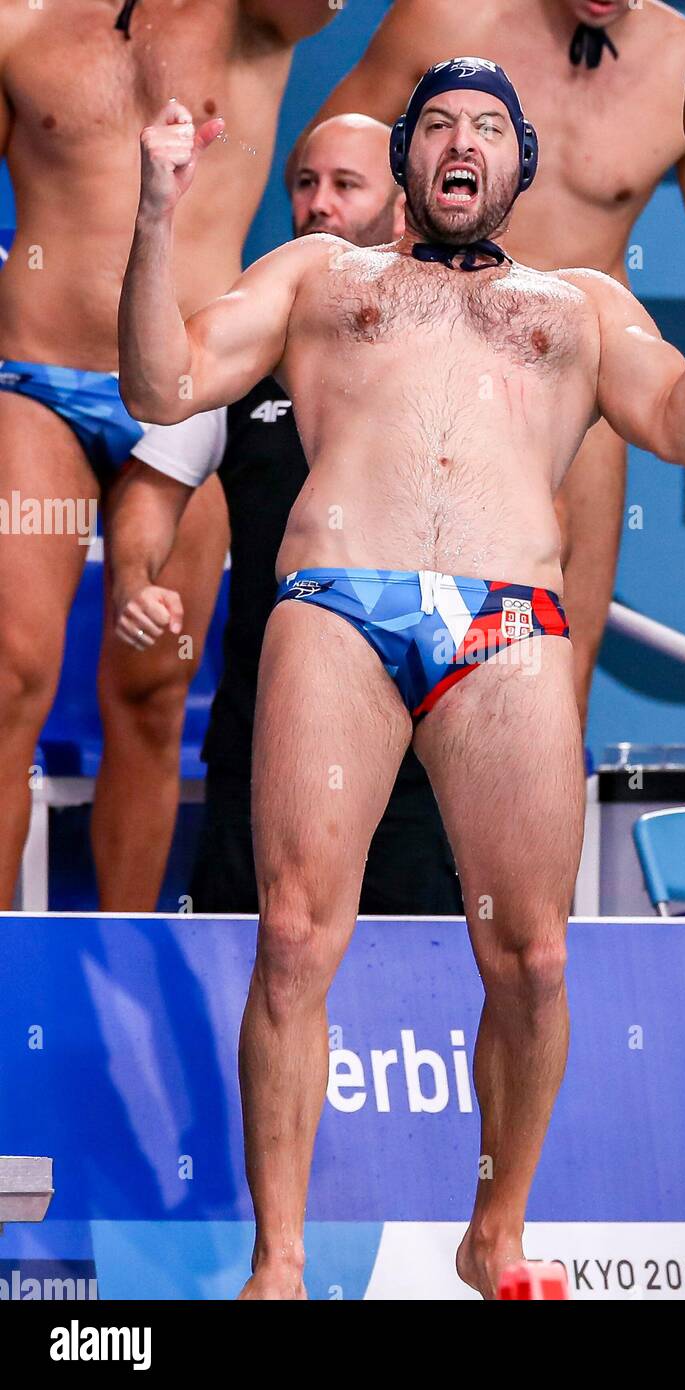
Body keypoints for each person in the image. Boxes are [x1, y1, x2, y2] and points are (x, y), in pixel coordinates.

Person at [119, 58, 685, 1299]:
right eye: (435, 122)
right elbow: (160, 384)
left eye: (487, 126)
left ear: (517, 166)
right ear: (407, 164)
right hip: (338, 605)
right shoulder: (321, 279)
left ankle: (494, 1230)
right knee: (290, 940)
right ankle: (277, 1261)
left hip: (508, 624)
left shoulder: (581, 304)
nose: (460, 140)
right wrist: (158, 207)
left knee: (533, 958)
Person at [293, 0, 685, 731]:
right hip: (420, 357)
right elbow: (326, 172)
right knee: (369, 672)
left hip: (573, 383)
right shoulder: (444, 18)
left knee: (557, 680)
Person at [0, 0, 339, 909]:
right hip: (38, 381)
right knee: (6, 680)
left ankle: (126, 949)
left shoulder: (251, 15)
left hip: (186, 381)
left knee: (154, 692)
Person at [112, 114, 462, 916]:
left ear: (403, 205)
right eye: (305, 184)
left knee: (416, 997)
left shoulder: (458, 351)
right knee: (255, 983)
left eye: (346, 185)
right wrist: (135, 577)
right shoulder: (250, 355)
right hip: (263, 743)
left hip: (421, 751)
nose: (319, 204)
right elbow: (149, 486)